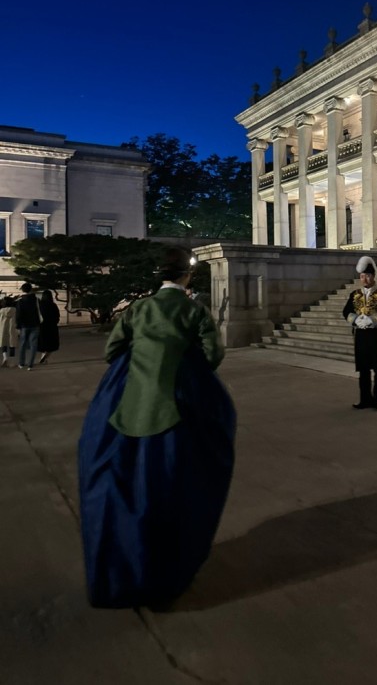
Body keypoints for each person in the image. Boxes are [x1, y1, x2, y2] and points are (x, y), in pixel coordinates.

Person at [78, 246, 236, 609]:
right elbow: (213, 355)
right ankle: (166, 573)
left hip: (128, 405)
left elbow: (112, 348)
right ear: (188, 276)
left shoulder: (138, 309)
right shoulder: (193, 310)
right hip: (178, 410)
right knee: (175, 488)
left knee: (120, 486)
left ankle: (122, 572)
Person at [343, 255, 377, 411]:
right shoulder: (355, 295)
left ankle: (376, 400)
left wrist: (373, 320)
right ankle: (364, 399)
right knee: (363, 369)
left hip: (376, 335)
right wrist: (355, 320)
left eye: (367, 276)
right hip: (360, 336)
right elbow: (346, 311)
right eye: (362, 276)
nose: (364, 279)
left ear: (373, 276)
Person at [15, 283, 41, 370]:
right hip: (35, 324)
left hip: (24, 325)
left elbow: (18, 315)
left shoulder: (20, 301)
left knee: (22, 344)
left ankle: (21, 363)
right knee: (33, 344)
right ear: (31, 289)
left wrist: (18, 326)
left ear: (22, 290)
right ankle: (30, 365)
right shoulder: (36, 300)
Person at [37, 290, 61, 364]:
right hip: (52, 326)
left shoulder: (40, 305)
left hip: (42, 326)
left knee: (43, 344)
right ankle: (45, 357)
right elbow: (57, 315)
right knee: (52, 345)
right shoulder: (53, 305)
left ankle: (43, 357)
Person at [0, 296, 18, 367]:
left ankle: (5, 357)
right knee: (12, 344)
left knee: (3, 343)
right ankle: (12, 362)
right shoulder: (15, 310)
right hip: (12, 328)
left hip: (3, 328)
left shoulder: (1, 311)